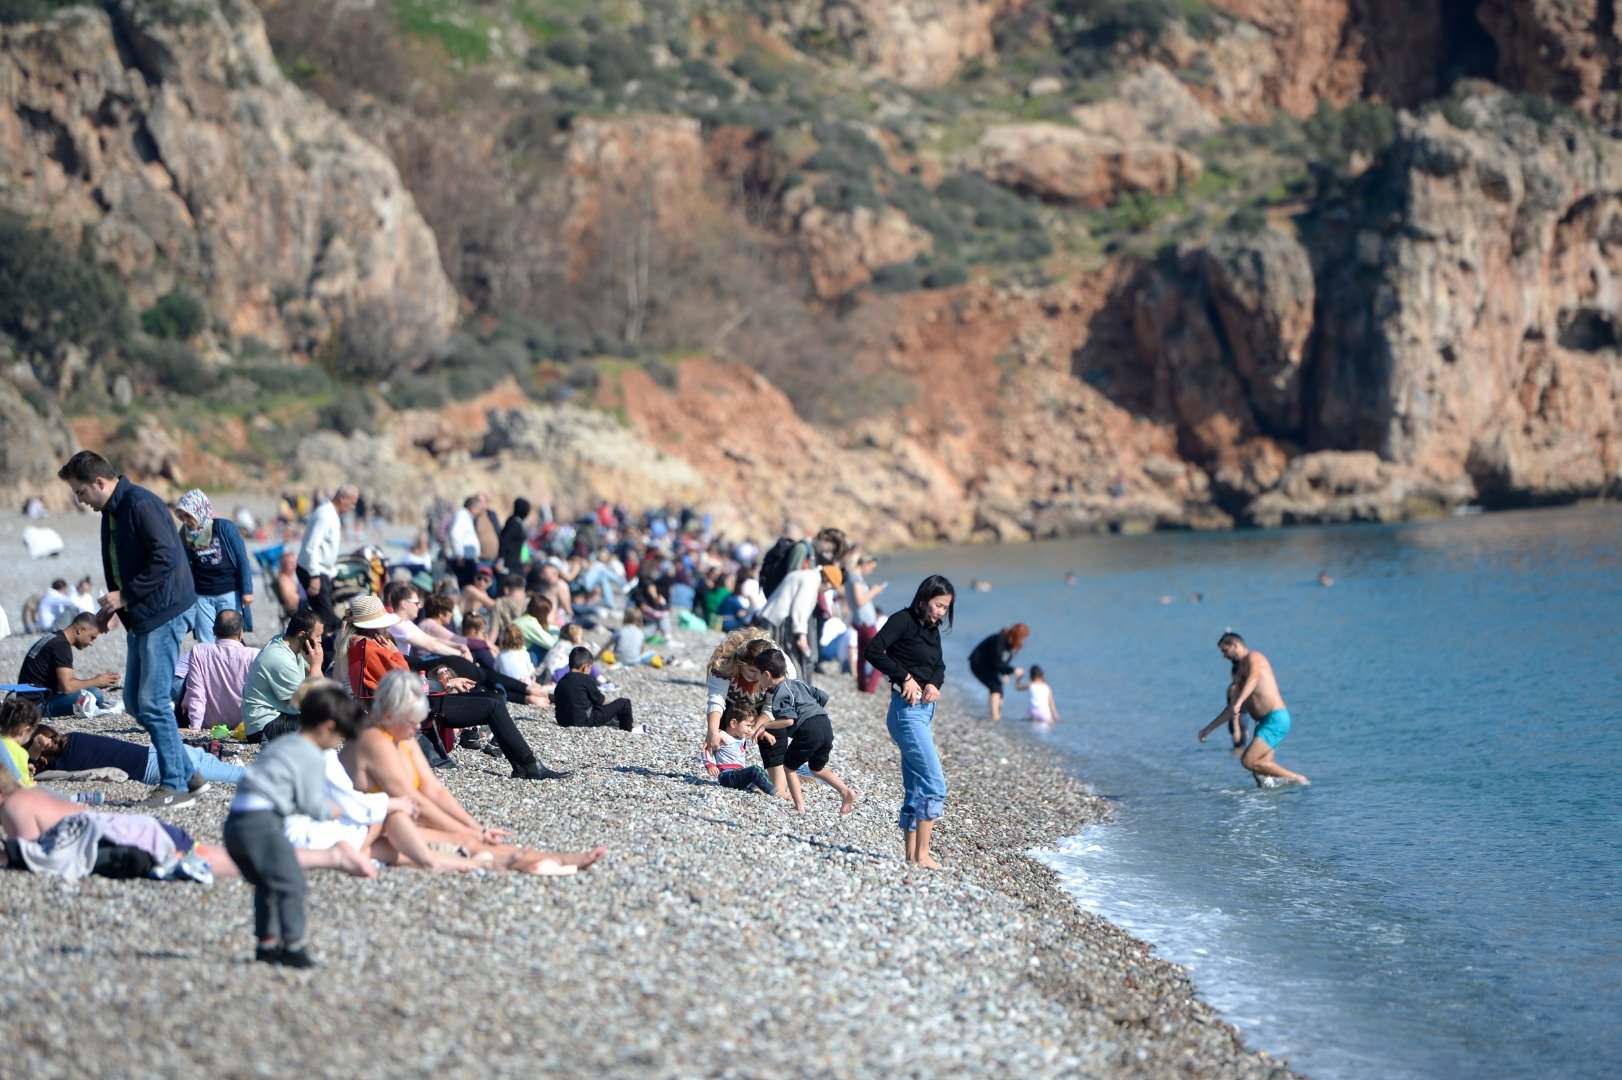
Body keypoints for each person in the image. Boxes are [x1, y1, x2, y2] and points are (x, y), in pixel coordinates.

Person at [345, 671, 602, 872]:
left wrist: (475, 826)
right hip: (373, 829)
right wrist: (469, 832)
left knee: (473, 837)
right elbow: (415, 801)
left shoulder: (400, 733)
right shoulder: (374, 740)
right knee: (465, 841)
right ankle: (547, 860)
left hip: (397, 821)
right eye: (412, 720)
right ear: (389, 714)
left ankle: (550, 859)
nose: (417, 726)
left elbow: (433, 789)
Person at [58, 450, 201, 808]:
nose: (80, 500)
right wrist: (112, 609)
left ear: (99, 482)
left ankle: (174, 787)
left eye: (80, 492)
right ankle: (191, 776)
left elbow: (165, 557)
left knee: (153, 702)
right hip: (143, 613)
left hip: (165, 612)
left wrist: (126, 596)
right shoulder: (112, 512)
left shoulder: (140, 504)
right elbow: (120, 564)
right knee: (137, 702)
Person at [339, 595, 568, 780]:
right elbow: (404, 683)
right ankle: (529, 766)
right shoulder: (374, 648)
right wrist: (443, 681)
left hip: (402, 703)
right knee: (493, 706)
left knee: (494, 699)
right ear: (370, 627)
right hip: (412, 706)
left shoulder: (357, 646)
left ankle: (523, 762)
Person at [224, 682, 362, 967]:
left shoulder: (284, 743)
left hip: (236, 822)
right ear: (327, 726)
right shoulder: (311, 755)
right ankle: (293, 947)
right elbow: (311, 803)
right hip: (261, 824)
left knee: (268, 883)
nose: (336, 743)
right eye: (338, 736)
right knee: (291, 883)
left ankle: (267, 944)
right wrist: (332, 811)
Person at [866, 575, 954, 869]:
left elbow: (938, 665)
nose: (941, 612)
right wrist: (903, 676)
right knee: (934, 784)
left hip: (924, 711)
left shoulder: (933, 630)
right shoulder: (902, 620)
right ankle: (923, 854)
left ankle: (912, 856)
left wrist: (933, 684)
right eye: (938, 605)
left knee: (916, 785)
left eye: (946, 608)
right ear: (924, 598)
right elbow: (873, 650)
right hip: (906, 711)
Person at [1198, 632, 1309, 787]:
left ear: (1235, 644)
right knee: (1261, 773)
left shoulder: (1254, 657)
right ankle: (1271, 803)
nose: (1224, 656)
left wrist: (1240, 701)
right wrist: (1209, 728)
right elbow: (1232, 707)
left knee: (1248, 760)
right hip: (1263, 723)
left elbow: (1254, 678)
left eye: (1225, 651)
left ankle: (1298, 780)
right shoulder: (1239, 673)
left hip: (1275, 719)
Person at [754, 649, 857, 815]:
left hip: (808, 729)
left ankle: (799, 807)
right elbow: (823, 696)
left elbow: (788, 720)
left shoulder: (780, 693)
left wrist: (765, 725)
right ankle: (846, 792)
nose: (757, 679)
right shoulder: (798, 683)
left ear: (766, 674)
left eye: (757, 674)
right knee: (817, 768)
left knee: (789, 767)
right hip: (824, 723)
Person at [27, 723, 245, 788]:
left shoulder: (63, 762)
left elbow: (26, 775)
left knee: (241, 778)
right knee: (240, 775)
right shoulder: (74, 737)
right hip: (160, 751)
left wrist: (33, 754)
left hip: (155, 768)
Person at [174, 488, 255, 643]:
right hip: (202, 596)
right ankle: (210, 667)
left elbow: (242, 558)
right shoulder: (184, 535)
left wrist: (247, 590)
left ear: (199, 510)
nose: (186, 521)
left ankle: (233, 666)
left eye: (188, 516)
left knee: (231, 639)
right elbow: (182, 566)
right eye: (182, 517)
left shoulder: (224, 527)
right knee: (206, 642)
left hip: (229, 593)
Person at [241, 609, 325, 744]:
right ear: (302, 635)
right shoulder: (280, 660)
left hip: (279, 715)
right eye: (317, 636)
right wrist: (316, 666)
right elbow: (311, 703)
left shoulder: (283, 641)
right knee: (321, 724)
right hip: (264, 726)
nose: (320, 641)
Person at [16, 613, 119, 717]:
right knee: (95, 694)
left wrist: (93, 683)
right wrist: (97, 681)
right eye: (92, 637)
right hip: (36, 706)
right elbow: (67, 687)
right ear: (81, 630)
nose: (92, 643)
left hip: (26, 701)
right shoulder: (61, 646)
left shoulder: (54, 638)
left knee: (90, 692)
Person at [178, 609, 258, 731]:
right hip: (243, 725)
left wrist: (195, 726)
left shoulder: (199, 651)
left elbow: (196, 692)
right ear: (240, 633)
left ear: (214, 631)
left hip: (209, 724)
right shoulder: (253, 655)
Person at [296, 484, 357, 633]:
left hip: (323, 570)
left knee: (327, 615)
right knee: (327, 619)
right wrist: (314, 576)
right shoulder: (324, 515)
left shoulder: (332, 514)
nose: (353, 507)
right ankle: (322, 653)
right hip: (314, 570)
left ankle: (323, 650)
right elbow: (311, 546)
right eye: (352, 502)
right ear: (343, 498)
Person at [702, 704, 777, 796]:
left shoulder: (741, 737)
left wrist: (765, 734)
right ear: (733, 723)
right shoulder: (722, 735)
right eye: (748, 725)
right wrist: (710, 765)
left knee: (757, 773)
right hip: (727, 775)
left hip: (737, 773)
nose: (750, 729)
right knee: (755, 770)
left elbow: (754, 733)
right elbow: (706, 749)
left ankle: (755, 786)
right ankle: (776, 793)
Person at [554, 647, 636, 732]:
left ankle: (614, 721)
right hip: (584, 721)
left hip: (562, 721)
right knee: (624, 703)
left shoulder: (561, 681)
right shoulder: (586, 679)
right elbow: (600, 701)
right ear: (585, 667)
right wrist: (612, 708)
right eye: (590, 668)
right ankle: (628, 729)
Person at [968, 623, 1028, 722]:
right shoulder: (1000, 640)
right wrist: (1013, 670)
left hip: (989, 666)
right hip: (978, 664)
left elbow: (1003, 661)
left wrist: (1005, 673)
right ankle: (994, 716)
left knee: (999, 688)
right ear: (1017, 636)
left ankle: (996, 715)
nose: (1022, 641)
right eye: (1022, 638)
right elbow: (997, 661)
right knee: (995, 686)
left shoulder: (1010, 645)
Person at [845, 552, 886, 693]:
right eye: (872, 567)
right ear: (865, 564)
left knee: (863, 654)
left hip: (860, 621)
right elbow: (859, 600)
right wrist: (874, 591)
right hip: (865, 622)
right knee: (880, 653)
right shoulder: (856, 579)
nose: (871, 571)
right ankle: (870, 686)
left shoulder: (852, 577)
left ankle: (863, 685)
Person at [498, 498, 531, 575]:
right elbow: (504, 541)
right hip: (509, 562)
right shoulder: (514, 523)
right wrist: (501, 559)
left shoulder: (516, 522)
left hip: (514, 561)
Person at [272, 550, 305, 618]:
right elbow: (292, 603)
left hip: (299, 608)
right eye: (290, 563)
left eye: (294, 562)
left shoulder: (288, 577)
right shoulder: (284, 579)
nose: (294, 565)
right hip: (297, 611)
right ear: (282, 565)